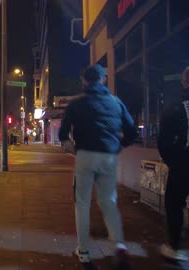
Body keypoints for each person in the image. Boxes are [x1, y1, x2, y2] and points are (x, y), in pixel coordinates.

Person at [58, 64, 137, 267]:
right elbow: (131, 131)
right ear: (103, 79)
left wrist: (73, 148)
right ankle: (119, 244)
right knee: (108, 201)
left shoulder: (77, 103)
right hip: (109, 156)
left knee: (82, 203)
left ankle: (83, 251)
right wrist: (118, 146)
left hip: (85, 155)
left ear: (84, 80)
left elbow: (63, 132)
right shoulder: (116, 102)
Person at [158, 66, 189, 261]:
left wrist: (172, 161)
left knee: (174, 203)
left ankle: (175, 247)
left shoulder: (176, 104)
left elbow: (164, 139)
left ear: (184, 81)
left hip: (184, 161)